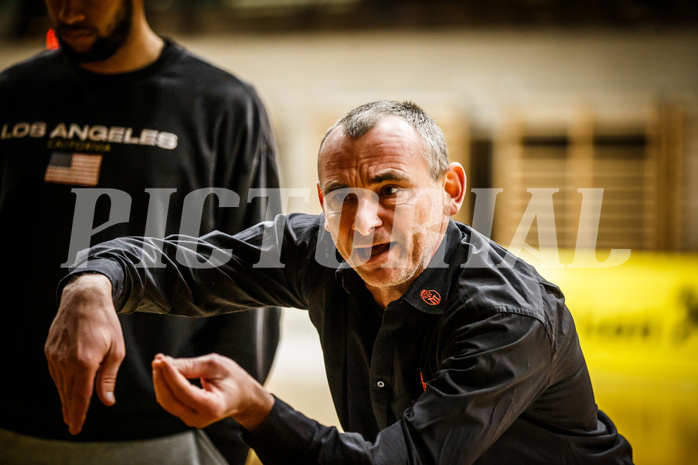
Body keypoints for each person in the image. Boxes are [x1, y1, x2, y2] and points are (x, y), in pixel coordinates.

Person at [45, 101, 634, 464]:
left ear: (452, 191)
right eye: (342, 199)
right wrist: (93, 281)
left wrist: (258, 410)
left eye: (389, 190)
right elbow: (186, 267)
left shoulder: (507, 317)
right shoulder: (317, 251)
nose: (364, 222)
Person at [0, 0, 281, 464]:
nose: (68, 12)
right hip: (11, 428)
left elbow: (255, 277)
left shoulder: (222, 105)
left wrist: (219, 439)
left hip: (162, 434)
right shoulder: (12, 94)